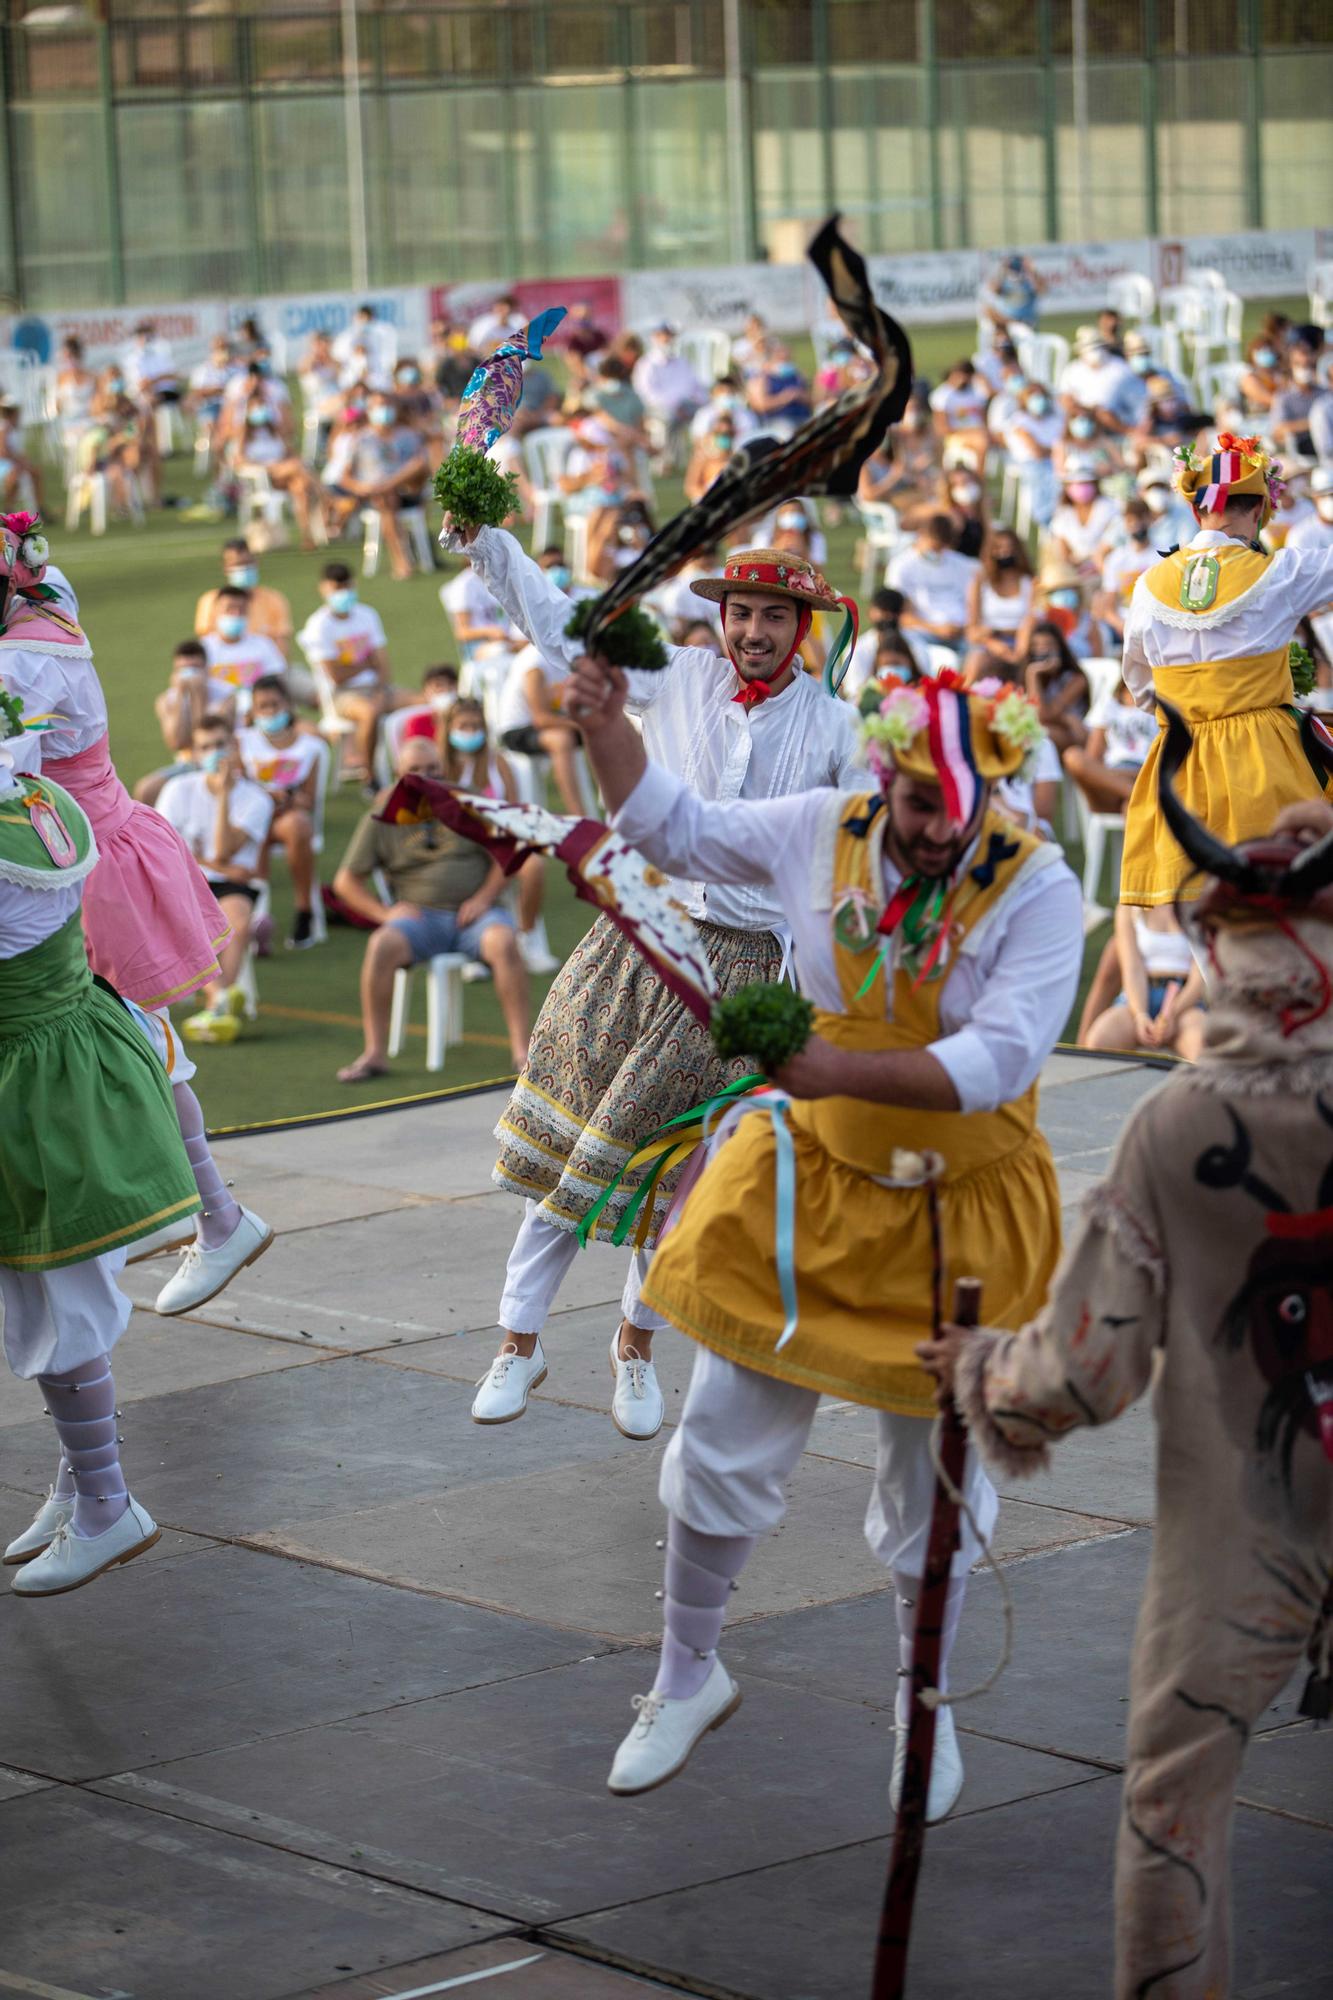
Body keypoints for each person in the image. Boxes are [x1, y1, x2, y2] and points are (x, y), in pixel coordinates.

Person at [557, 658, 1081, 1805]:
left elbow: (1004, 1057)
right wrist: (607, 728)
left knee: (933, 1485)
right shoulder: (818, 827)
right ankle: (684, 1674)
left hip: (959, 1214)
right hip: (811, 1179)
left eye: (960, 804)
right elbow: (674, 829)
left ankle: (922, 1711)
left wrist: (831, 1062)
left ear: (991, 781)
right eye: (916, 802)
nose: (938, 827)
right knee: (718, 1443)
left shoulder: (1036, 884)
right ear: (882, 775)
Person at [919, 791, 1333, 2000]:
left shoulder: (1177, 1123)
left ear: (1220, 947)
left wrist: (980, 1371)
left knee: (1173, 1797)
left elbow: (1083, 1371)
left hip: (1240, 1535)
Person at [449, 524, 860, 1442]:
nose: (752, 630)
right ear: (719, 615)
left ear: (805, 627)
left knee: (678, 1178)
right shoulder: (674, 674)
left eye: (773, 616)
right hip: (636, 943)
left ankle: (634, 1345)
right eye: (741, 611)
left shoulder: (837, 726)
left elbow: (860, 851)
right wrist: (490, 542)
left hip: (745, 974)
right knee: (569, 1150)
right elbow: (565, 632)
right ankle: (518, 1341)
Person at [0, 512, 270, 1314]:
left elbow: (6, 776)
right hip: (86, 852)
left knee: (129, 1036)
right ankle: (196, 1214)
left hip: (80, 867)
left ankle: (214, 1218)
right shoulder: (43, 600)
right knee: (128, 1035)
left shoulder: (22, 662)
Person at [0, 719, 201, 1597]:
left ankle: (108, 1504)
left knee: (53, 1298)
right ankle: (85, 1482)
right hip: (68, 1057)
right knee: (44, 1293)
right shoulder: (30, 795)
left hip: (36, 1090)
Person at [1119, 432, 1333, 908]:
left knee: (1207, 922)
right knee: (1292, 911)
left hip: (1181, 763)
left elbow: (1138, 683)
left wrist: (1191, 701)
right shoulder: (1278, 573)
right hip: (1263, 761)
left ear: (1196, 511)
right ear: (1259, 508)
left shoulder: (1148, 584)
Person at [332, 732, 530, 1082]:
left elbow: (509, 855)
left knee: (503, 941)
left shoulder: (467, 802)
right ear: (398, 775)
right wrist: (384, 913)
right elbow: (345, 881)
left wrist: (484, 897)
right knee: (381, 945)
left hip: (476, 916)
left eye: (434, 770)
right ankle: (374, 1053)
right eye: (416, 771)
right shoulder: (383, 814)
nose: (427, 779)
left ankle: (523, 1053)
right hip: (420, 919)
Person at [158, 714, 275, 1044]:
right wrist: (213, 863)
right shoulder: (176, 790)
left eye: (220, 745)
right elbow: (167, 852)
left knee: (235, 921)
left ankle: (216, 1002)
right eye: (205, 747)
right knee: (188, 921)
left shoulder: (257, 799)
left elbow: (224, 848)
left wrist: (223, 795)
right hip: (186, 879)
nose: (213, 753)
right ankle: (222, 998)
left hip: (233, 886)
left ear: (234, 746)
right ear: (194, 753)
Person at [237, 675, 324, 949]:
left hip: (286, 819)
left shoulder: (310, 747)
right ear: (252, 711)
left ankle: (304, 911)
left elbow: (309, 800)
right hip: (253, 818)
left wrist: (285, 798)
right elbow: (237, 788)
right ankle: (256, 916)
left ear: (288, 705)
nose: (270, 711)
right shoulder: (242, 742)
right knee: (255, 827)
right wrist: (264, 797)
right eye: (262, 706)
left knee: (298, 825)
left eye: (275, 704)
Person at [297, 563, 399, 782]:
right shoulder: (318, 625)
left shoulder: (367, 614)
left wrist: (379, 688)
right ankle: (370, 776)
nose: (343, 594)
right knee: (369, 713)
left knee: (427, 702)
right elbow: (336, 676)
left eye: (347, 587)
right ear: (323, 589)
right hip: (342, 695)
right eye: (337, 589)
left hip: (377, 689)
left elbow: (382, 663)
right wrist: (366, 664)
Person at [1083, 901, 1206, 1059]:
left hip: (1185, 1003)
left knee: (1203, 1049)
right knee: (1097, 1041)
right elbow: (1131, 968)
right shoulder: (1130, 906)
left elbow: (1200, 976)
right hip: (1138, 996)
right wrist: (1140, 1015)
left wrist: (1171, 1014)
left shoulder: (1201, 901)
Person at [135, 638, 237, 807]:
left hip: (222, 761)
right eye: (183, 669)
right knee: (146, 789)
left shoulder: (226, 696)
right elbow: (176, 743)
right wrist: (182, 697)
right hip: (188, 765)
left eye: (195, 668)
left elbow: (206, 738)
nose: (189, 675)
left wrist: (199, 697)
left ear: (206, 668)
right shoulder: (166, 700)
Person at [495, 640, 588, 817]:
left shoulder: (569, 655)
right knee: (561, 740)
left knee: (607, 726)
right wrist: (582, 724)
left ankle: (616, 799)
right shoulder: (534, 664)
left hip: (552, 723)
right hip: (516, 730)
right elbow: (541, 718)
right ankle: (578, 815)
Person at [888, 512, 978, 659]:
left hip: (962, 632)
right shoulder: (902, 566)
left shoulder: (962, 564)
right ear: (921, 536)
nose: (938, 552)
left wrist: (965, 628)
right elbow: (900, 614)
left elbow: (974, 604)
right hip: (923, 632)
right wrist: (936, 629)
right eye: (934, 546)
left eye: (942, 547)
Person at [1064, 673, 1155, 814]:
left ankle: (1136, 796)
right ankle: (1137, 794)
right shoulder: (1109, 703)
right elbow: (1092, 756)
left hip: (1146, 774)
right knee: (1073, 756)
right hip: (1111, 776)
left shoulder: (1163, 701)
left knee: (1130, 807)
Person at [201, 584, 288, 720]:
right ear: (216, 611)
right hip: (218, 719)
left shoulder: (263, 644)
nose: (236, 614)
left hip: (257, 715)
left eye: (241, 610)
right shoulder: (203, 649)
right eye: (230, 609)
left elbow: (276, 679)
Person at [195, 539, 294, 658]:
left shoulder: (274, 599)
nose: (243, 569)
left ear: (256, 562)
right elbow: (206, 643)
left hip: (264, 666)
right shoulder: (210, 601)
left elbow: (281, 641)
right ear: (225, 567)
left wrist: (278, 670)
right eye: (237, 565)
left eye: (247, 563)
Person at [962, 528, 1031, 681]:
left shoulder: (1029, 582)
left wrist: (1017, 649)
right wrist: (994, 644)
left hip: (1022, 643)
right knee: (977, 662)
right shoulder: (980, 583)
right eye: (999, 548)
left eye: (1009, 548)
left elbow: (1032, 620)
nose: (1005, 553)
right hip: (988, 643)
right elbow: (972, 630)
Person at [1023, 621, 1089, 755]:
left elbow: (1041, 715)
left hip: (1071, 734)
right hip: (1046, 727)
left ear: (1060, 648)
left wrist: (1032, 673)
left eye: (1048, 645)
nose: (1042, 650)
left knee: (1036, 735)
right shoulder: (1027, 673)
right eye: (1036, 646)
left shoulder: (1076, 679)